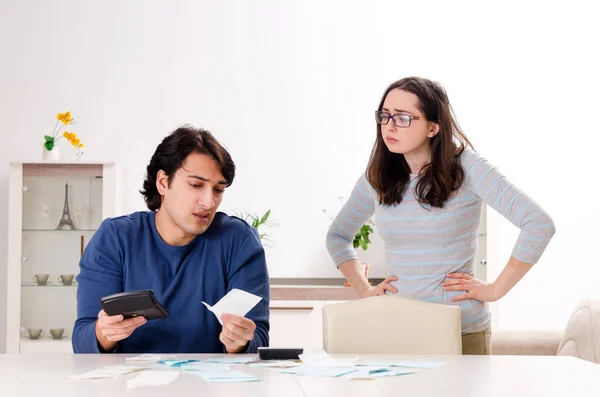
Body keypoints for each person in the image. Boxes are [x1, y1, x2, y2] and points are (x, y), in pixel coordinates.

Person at [326, 77, 555, 355]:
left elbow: (538, 224)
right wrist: (364, 290)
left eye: (403, 117)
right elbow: (337, 237)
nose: (390, 125)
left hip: (461, 330)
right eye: (384, 116)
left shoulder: (469, 168)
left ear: (433, 127)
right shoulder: (376, 177)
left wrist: (495, 290)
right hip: (397, 328)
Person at [72, 125, 270, 354]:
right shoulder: (115, 238)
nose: (209, 202)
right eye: (196, 185)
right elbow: (82, 341)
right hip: (131, 386)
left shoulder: (239, 241)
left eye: (218, 190)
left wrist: (241, 343)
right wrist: (103, 333)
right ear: (163, 183)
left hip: (211, 387)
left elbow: (259, 340)